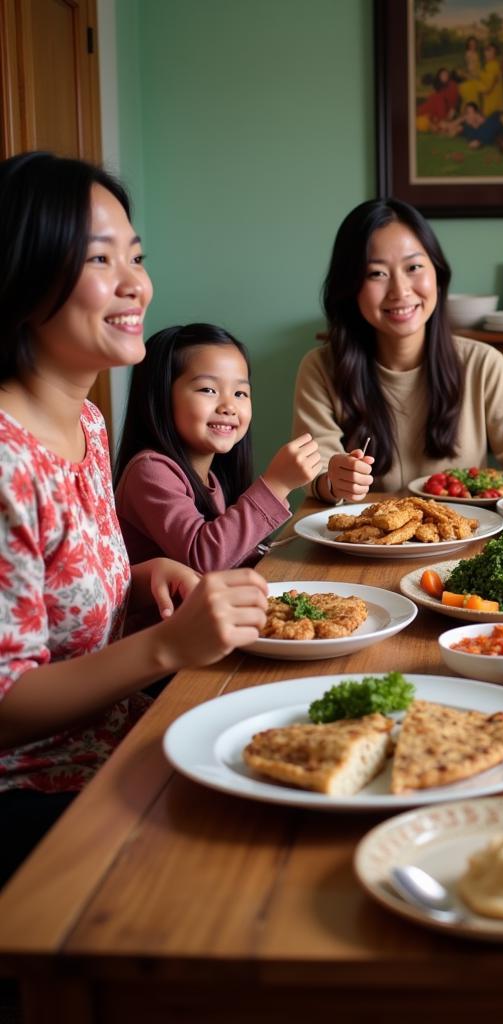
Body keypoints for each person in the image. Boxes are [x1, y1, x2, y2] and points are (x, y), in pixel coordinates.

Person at [0, 152, 268, 885]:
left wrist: (143, 576)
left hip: (119, 738)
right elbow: (6, 705)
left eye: (136, 256)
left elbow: (57, 592)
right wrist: (167, 647)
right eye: (100, 258)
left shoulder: (85, 423)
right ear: (25, 272)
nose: (136, 283)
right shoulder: (6, 460)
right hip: (34, 793)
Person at [292, 197, 503, 503]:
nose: (400, 291)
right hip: (363, 542)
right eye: (376, 274)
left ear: (437, 274)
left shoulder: (483, 364)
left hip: (467, 537)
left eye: (413, 267)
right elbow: (315, 470)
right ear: (350, 286)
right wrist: (334, 480)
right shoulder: (321, 368)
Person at [114, 322, 322, 573]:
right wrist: (277, 484)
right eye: (208, 389)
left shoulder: (213, 478)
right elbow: (204, 560)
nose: (229, 406)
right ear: (160, 398)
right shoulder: (149, 471)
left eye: (240, 393)